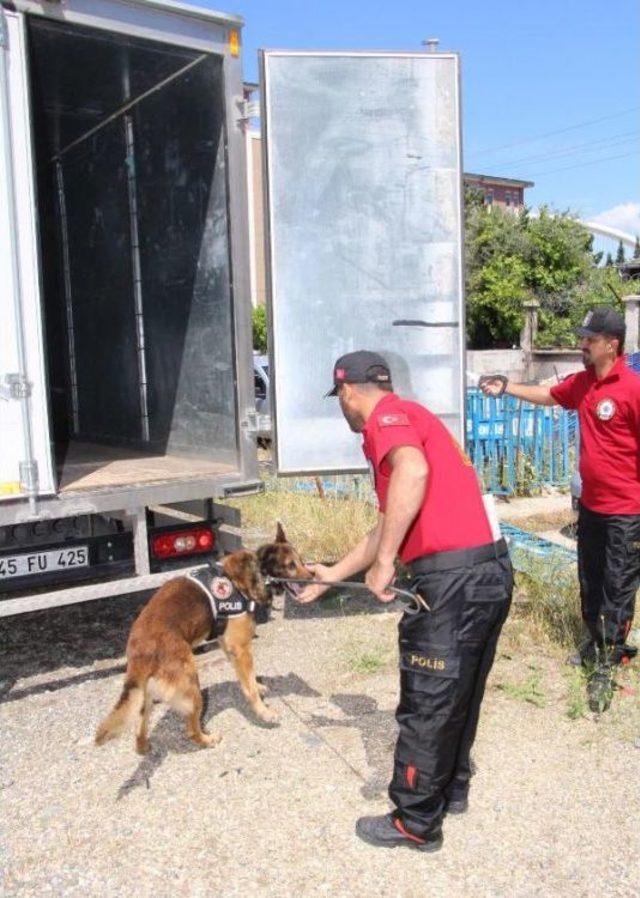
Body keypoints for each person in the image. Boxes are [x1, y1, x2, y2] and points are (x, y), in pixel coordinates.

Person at [298, 350, 513, 853]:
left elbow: (412, 476)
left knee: (428, 701)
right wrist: (333, 575)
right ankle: (451, 789)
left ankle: (414, 822)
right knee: (462, 692)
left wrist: (386, 562)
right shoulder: (417, 416)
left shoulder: (385, 420)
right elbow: (391, 520)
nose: (344, 410)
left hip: (452, 582)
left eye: (340, 400)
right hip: (488, 571)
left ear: (347, 392)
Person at [479, 306, 640, 712]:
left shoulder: (633, 389)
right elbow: (550, 395)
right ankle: (595, 642)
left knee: (617, 587)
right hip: (592, 508)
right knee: (590, 579)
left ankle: (608, 659)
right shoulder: (585, 383)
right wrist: (508, 387)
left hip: (628, 511)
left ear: (611, 344)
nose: (581, 345)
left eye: (588, 340)